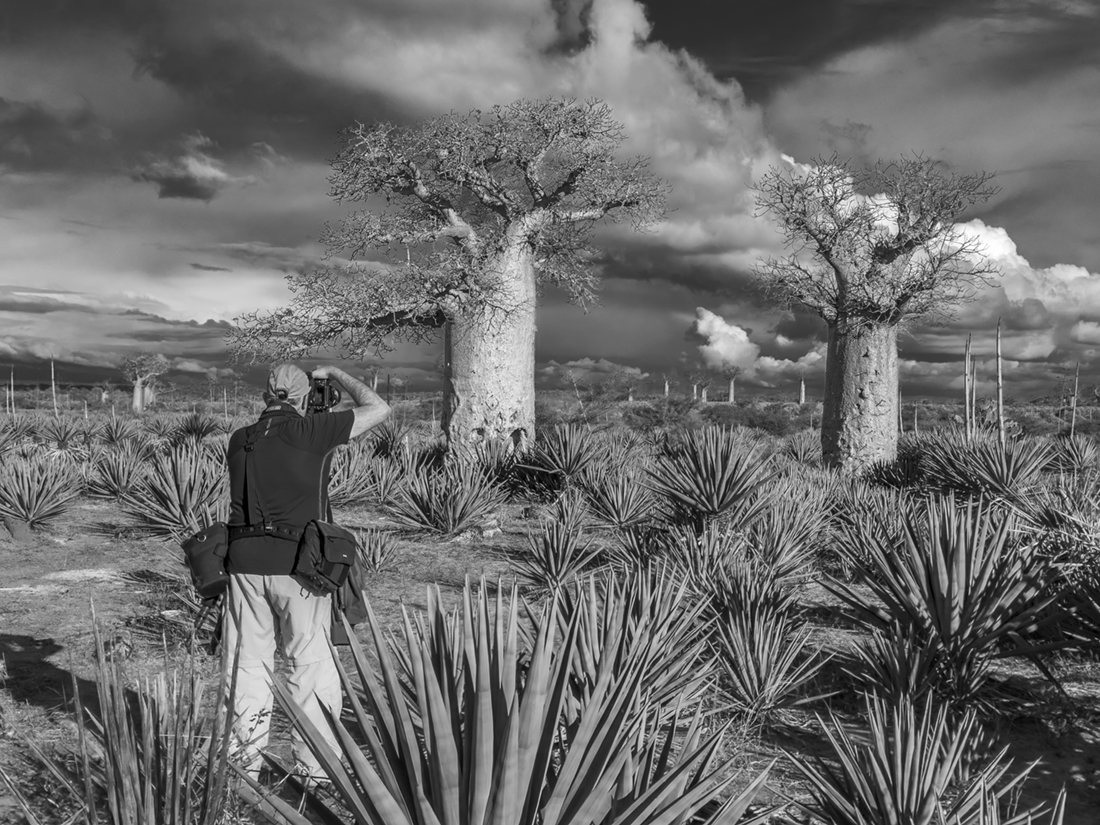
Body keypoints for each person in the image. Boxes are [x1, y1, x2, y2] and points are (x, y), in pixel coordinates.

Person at [222, 363, 389, 782]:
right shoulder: (311, 434)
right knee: (308, 666)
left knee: (244, 667)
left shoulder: (240, 439)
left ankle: (241, 771)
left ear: (265, 396)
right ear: (300, 398)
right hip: (299, 568)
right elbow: (378, 408)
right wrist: (334, 373)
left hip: (243, 566)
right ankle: (315, 776)